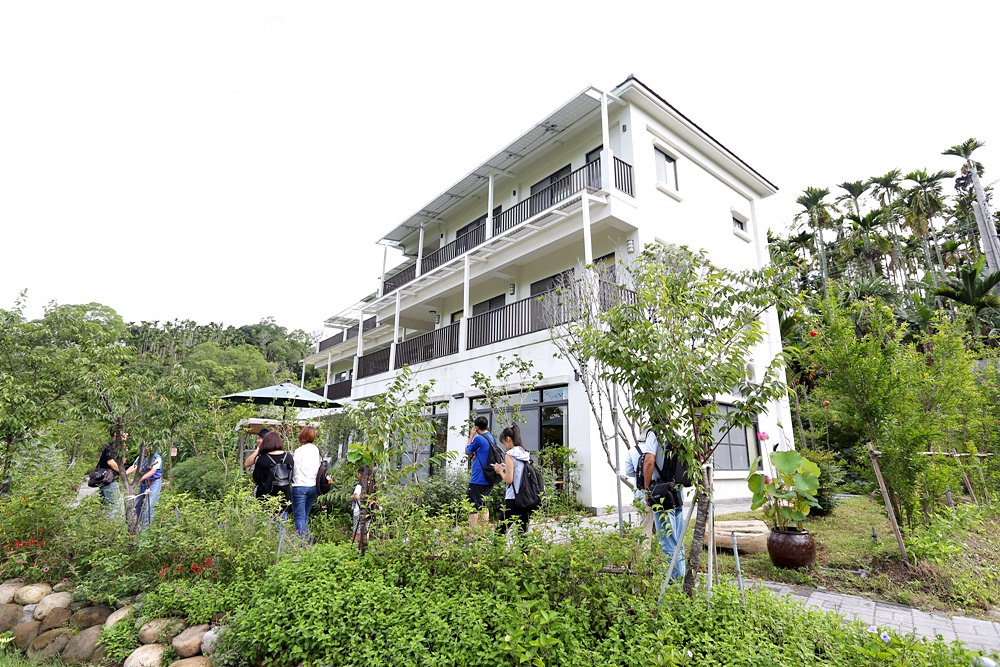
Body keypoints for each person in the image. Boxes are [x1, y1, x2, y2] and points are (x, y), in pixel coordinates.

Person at [640, 426, 690, 581]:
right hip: (676, 490)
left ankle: (675, 584)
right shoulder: (675, 434)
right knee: (677, 540)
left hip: (661, 492)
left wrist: (647, 490)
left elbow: (649, 461)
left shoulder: (654, 434)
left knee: (668, 541)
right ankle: (681, 580)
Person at [491, 424, 535, 535]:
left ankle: (497, 552)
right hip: (526, 498)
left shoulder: (509, 454)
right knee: (522, 533)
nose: (504, 446)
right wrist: (506, 468)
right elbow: (519, 472)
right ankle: (524, 553)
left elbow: (509, 480)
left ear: (508, 439)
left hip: (513, 499)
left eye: (504, 443)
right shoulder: (524, 453)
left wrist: (500, 471)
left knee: (499, 532)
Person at [465, 416, 496, 528]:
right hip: (488, 477)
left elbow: (467, 450)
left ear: (477, 427)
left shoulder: (478, 438)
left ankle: (471, 533)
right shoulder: (491, 437)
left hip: (478, 478)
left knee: (472, 507)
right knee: (484, 505)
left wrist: (471, 436)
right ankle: (483, 532)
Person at [252, 431, 293, 516]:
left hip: (265, 497)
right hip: (284, 496)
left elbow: (256, 478)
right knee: (281, 525)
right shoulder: (288, 457)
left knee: (265, 525)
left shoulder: (262, 459)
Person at [291, 426, 321, 537]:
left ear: (302, 436)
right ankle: (304, 540)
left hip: (299, 486)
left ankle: (301, 543)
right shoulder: (316, 450)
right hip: (313, 486)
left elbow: (295, 467)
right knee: (305, 515)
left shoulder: (299, 451)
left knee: (299, 516)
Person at [624, 443, 656, 539]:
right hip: (660, 490)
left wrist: (641, 475)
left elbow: (629, 471)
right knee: (665, 523)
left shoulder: (633, 450)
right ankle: (668, 552)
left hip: (641, 492)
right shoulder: (657, 447)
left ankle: (644, 552)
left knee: (645, 525)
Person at [127, 448, 163, 529]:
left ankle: (146, 529)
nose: (146, 447)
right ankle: (135, 526)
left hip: (154, 483)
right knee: (137, 504)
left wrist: (138, 479)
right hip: (144, 483)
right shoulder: (141, 457)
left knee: (149, 506)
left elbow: (152, 472)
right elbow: (134, 466)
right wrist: (125, 473)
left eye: (148, 445)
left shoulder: (157, 458)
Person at [96, 430, 124, 513]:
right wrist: (123, 473)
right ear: (116, 433)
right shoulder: (111, 446)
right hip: (108, 479)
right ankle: (113, 524)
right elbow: (110, 462)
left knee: (105, 505)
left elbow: (122, 462)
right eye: (124, 432)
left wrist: (125, 449)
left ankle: (104, 524)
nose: (126, 434)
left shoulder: (119, 447)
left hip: (109, 479)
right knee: (113, 505)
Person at [350, 464, 373, 545]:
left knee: (357, 532)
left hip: (359, 511)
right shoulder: (371, 485)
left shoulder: (360, 485)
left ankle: (357, 547)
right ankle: (365, 546)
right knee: (366, 530)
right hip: (369, 511)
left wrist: (352, 497)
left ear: (360, 474)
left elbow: (356, 496)